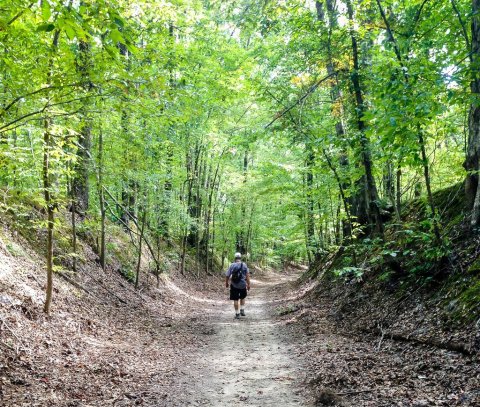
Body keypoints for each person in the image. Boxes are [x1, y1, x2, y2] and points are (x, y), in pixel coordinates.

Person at [225, 252, 251, 319]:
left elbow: (227, 275)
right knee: (242, 297)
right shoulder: (244, 265)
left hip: (234, 285)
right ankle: (242, 310)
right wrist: (248, 284)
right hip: (242, 284)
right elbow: (247, 275)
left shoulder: (232, 265)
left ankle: (237, 314)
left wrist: (226, 283)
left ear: (235, 258)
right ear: (240, 258)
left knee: (235, 299)